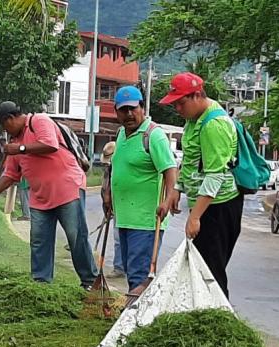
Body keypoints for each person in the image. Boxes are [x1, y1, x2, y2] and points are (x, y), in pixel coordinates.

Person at [0, 101, 96, 288]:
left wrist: (20, 149)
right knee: (39, 240)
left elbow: (50, 144)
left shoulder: (39, 121)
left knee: (75, 236)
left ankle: (90, 282)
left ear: (10, 119)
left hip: (67, 189)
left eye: (4, 125)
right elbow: (11, 174)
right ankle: (41, 282)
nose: (5, 131)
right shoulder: (14, 143)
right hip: (40, 198)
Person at [160, 72, 242, 298]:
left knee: (211, 271)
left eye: (181, 103)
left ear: (197, 95)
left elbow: (215, 176)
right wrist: (177, 189)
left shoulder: (214, 124)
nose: (178, 109)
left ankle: (220, 321)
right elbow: (191, 161)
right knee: (199, 266)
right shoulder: (192, 120)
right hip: (204, 206)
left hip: (219, 207)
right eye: (175, 104)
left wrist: (195, 216)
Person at [104, 86, 180, 291]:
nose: (129, 114)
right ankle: (133, 313)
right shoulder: (121, 134)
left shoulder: (153, 135)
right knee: (130, 270)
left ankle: (135, 317)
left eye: (133, 108)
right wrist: (108, 193)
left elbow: (170, 169)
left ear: (142, 108)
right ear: (116, 112)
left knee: (139, 274)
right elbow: (117, 168)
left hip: (146, 220)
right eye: (123, 110)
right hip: (125, 217)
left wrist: (168, 199)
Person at [99, 141, 124, 277]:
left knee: (121, 238)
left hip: (125, 206)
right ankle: (119, 267)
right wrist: (107, 207)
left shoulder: (121, 168)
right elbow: (105, 189)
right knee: (118, 238)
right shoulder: (108, 170)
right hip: (114, 207)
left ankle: (122, 268)